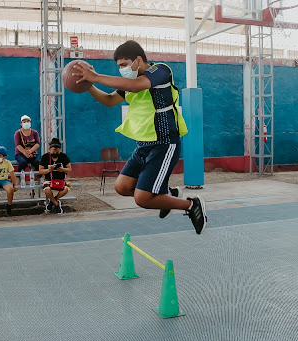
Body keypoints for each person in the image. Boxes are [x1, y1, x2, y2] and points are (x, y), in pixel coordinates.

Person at [72, 40, 207, 234]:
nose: (121, 70)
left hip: (164, 143)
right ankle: (169, 195)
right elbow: (109, 100)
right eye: (119, 66)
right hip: (143, 146)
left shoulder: (160, 71)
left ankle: (191, 204)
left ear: (137, 60)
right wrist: (89, 85)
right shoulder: (129, 83)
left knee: (143, 198)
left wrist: (96, 76)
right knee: (122, 186)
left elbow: (136, 85)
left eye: (124, 65)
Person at [39, 138, 72, 214]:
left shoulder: (63, 156)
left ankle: (52, 202)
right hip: (49, 179)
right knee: (47, 189)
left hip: (61, 179)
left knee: (66, 189)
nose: (55, 152)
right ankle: (56, 204)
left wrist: (62, 169)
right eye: (54, 150)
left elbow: (69, 169)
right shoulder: (45, 157)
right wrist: (48, 170)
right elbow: (40, 171)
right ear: (49, 149)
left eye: (57, 151)